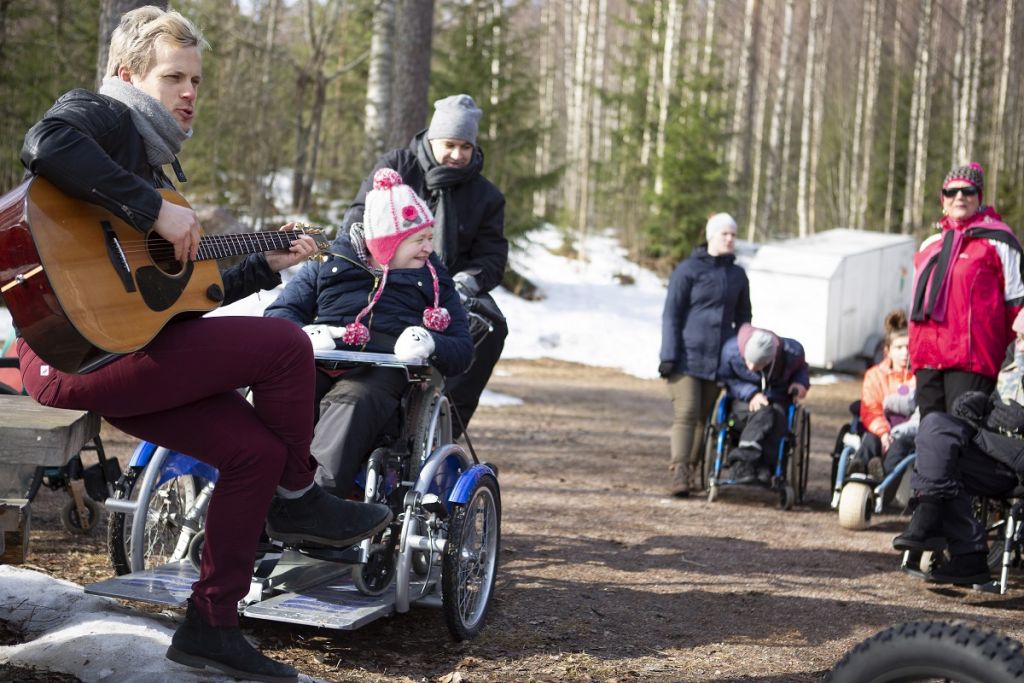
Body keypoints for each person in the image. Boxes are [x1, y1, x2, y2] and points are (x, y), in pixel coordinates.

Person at [15, 8, 390, 682]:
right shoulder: (102, 116)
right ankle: (299, 494)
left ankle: (212, 623)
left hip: (119, 350)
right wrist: (153, 208)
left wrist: (262, 264)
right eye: (174, 77)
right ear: (129, 75)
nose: (190, 92)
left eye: (197, 80)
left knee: (251, 450)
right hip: (73, 351)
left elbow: (175, 293)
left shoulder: (156, 173)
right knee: (285, 346)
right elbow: (45, 146)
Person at [265, 168, 474, 497]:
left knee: (352, 401)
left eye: (429, 237)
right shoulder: (327, 262)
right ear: (386, 243)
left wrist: (430, 342)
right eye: (418, 239)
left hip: (383, 373)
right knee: (283, 393)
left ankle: (312, 504)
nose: (427, 249)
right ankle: (259, 496)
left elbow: (462, 349)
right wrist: (303, 333)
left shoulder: (434, 278)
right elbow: (279, 312)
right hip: (319, 360)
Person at [341, 94, 507, 438]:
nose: (458, 155)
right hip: (386, 273)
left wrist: (464, 283)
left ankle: (445, 425)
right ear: (433, 139)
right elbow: (361, 215)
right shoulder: (398, 166)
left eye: (465, 147)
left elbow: (492, 256)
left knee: (490, 326)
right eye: (450, 144)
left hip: (449, 286)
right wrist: (373, 259)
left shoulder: (486, 195)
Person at [892, 311, 1024, 586]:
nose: (1018, 344)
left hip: (1016, 463)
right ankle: (964, 552)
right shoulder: (1015, 357)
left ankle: (933, 524)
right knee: (935, 425)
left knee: (943, 450)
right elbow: (1002, 399)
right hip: (992, 448)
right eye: (1018, 336)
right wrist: (982, 404)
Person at [909, 162, 1024, 417]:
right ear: (943, 199)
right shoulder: (930, 246)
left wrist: (1013, 358)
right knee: (930, 435)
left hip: (973, 359)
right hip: (927, 357)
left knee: (962, 433)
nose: (959, 196)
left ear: (979, 197)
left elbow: (1016, 304)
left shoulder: (999, 241)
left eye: (968, 191)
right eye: (952, 191)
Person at [658, 213, 751, 497]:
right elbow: (671, 314)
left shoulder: (738, 275)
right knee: (686, 412)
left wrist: (741, 354)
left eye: (734, 234)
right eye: (725, 234)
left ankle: (694, 471)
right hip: (685, 357)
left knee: (704, 418)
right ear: (711, 236)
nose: (730, 239)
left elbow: (744, 317)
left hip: (719, 359)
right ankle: (680, 472)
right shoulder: (688, 270)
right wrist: (668, 355)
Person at [717, 323, 810, 485]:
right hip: (742, 401)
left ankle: (766, 466)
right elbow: (727, 379)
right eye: (748, 361)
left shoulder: (793, 352)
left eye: (759, 364)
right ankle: (743, 463)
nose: (752, 367)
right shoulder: (730, 351)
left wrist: (800, 383)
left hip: (778, 397)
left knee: (778, 419)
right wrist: (751, 393)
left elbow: (801, 369)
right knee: (765, 413)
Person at [852, 309, 917, 479]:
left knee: (899, 446)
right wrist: (883, 433)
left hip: (906, 432)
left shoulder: (920, 378)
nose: (905, 353)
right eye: (899, 347)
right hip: (879, 429)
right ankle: (857, 470)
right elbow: (871, 408)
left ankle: (882, 480)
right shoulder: (874, 375)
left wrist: (895, 434)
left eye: (909, 347)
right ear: (887, 350)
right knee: (870, 440)